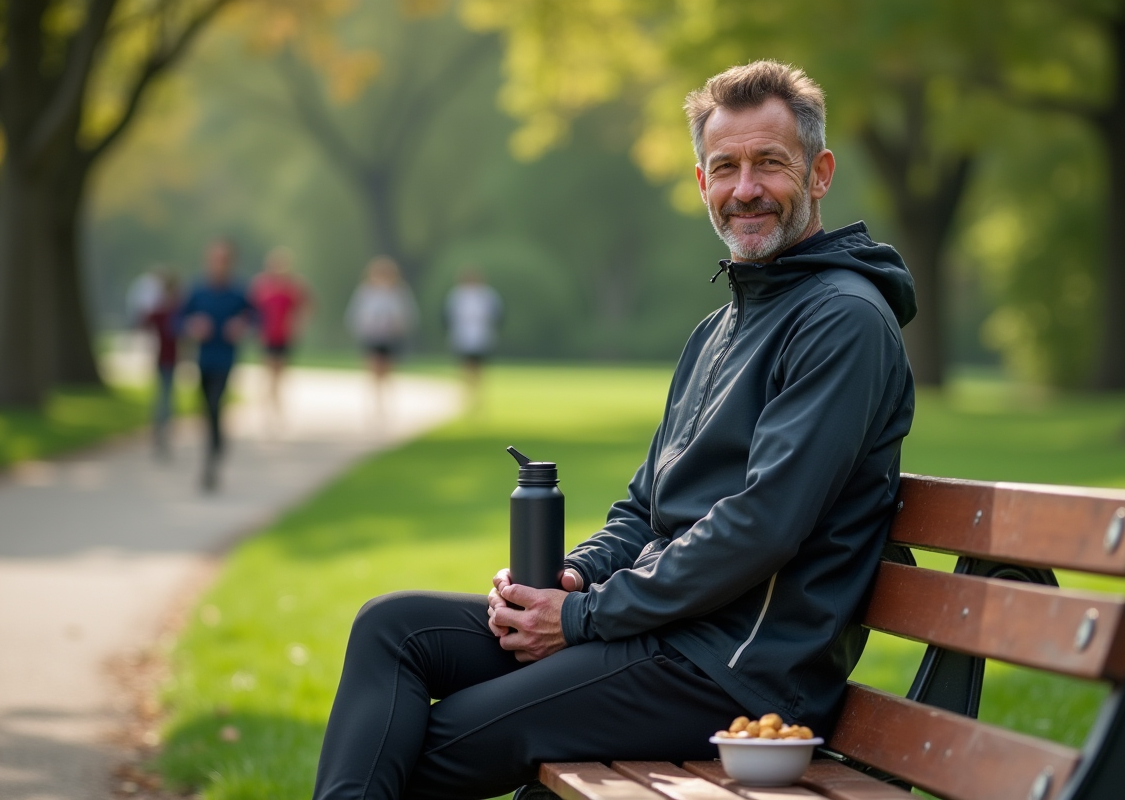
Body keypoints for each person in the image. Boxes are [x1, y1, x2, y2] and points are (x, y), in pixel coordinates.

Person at [311, 60, 917, 800]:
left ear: (819, 173)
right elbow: (643, 507)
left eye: (770, 164)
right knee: (392, 628)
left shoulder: (843, 321)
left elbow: (765, 525)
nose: (745, 189)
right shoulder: (719, 330)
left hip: (734, 668)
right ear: (701, 184)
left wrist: (585, 616)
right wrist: (572, 577)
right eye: (724, 167)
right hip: (659, 634)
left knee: (422, 743)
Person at [178, 239, 255, 492]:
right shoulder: (198, 290)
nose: (219, 264)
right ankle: (217, 442)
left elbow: (256, 317)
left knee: (215, 403)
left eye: (224, 260)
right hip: (203, 359)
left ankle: (210, 464)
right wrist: (193, 325)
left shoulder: (238, 291)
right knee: (206, 409)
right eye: (215, 259)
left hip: (226, 359)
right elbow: (178, 320)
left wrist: (241, 325)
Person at [344, 256, 419, 425]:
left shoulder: (399, 292)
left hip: (391, 338)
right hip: (371, 337)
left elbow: (408, 316)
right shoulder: (365, 292)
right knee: (373, 370)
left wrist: (398, 326)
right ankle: (375, 407)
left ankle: (386, 406)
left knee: (388, 372)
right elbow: (354, 316)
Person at [250, 246, 311, 430]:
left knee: (280, 374)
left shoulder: (293, 285)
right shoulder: (261, 285)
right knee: (269, 373)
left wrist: (298, 326)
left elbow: (305, 307)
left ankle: (276, 409)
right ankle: (269, 410)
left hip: (284, 336)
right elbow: (253, 310)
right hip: (267, 335)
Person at [444, 269, 504, 405]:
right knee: (466, 367)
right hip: (462, 338)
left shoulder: (487, 296)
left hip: (481, 338)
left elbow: (497, 316)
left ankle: (477, 397)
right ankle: (467, 395)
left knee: (479, 369)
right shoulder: (457, 296)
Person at [142, 273, 182, 458]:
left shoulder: (170, 311)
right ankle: (162, 432)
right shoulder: (169, 311)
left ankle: (161, 432)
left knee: (164, 396)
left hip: (169, 359)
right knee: (165, 398)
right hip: (164, 359)